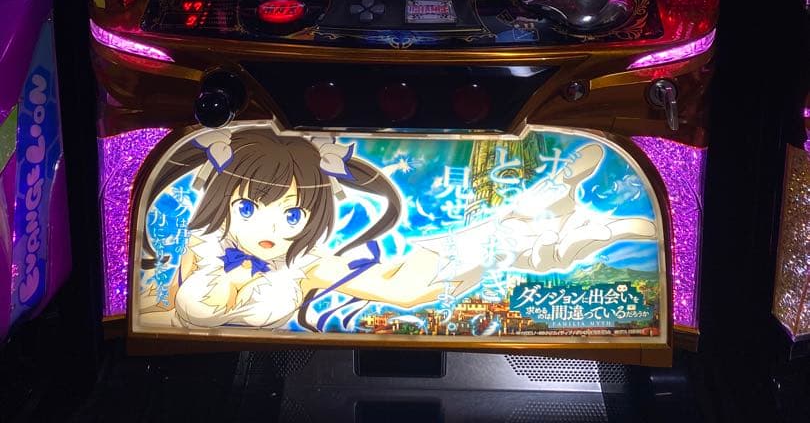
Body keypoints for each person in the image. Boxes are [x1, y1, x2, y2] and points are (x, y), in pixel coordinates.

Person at [136, 126, 657, 333]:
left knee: (410, 286)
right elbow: (157, 311)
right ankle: (539, 222)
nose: (272, 226)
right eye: (250, 207)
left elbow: (402, 289)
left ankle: (534, 223)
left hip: (227, 369)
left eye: (293, 215)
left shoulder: (301, 264)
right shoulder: (203, 244)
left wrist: (501, 241)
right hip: (188, 374)